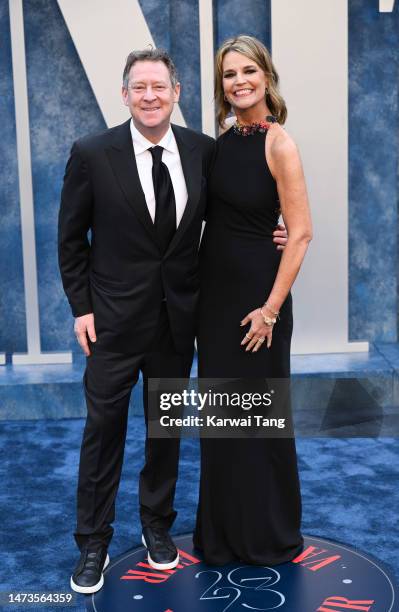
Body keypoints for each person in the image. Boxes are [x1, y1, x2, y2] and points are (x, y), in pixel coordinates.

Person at [58, 47, 288, 593]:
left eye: (159, 86)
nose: (150, 96)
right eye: (139, 87)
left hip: (177, 321)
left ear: (177, 93)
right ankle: (93, 543)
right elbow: (70, 241)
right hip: (111, 324)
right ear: (125, 94)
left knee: (165, 433)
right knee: (103, 432)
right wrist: (82, 308)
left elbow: (237, 207)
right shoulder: (92, 153)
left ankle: (156, 528)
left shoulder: (203, 152)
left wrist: (274, 227)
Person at [194, 35, 312, 565]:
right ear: (220, 86)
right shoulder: (219, 143)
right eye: (228, 74)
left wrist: (270, 311)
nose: (238, 81)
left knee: (260, 420)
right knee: (222, 420)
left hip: (258, 303)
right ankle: (222, 537)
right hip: (214, 302)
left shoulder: (278, 142)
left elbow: (302, 232)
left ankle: (268, 536)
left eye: (247, 71)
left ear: (266, 75)